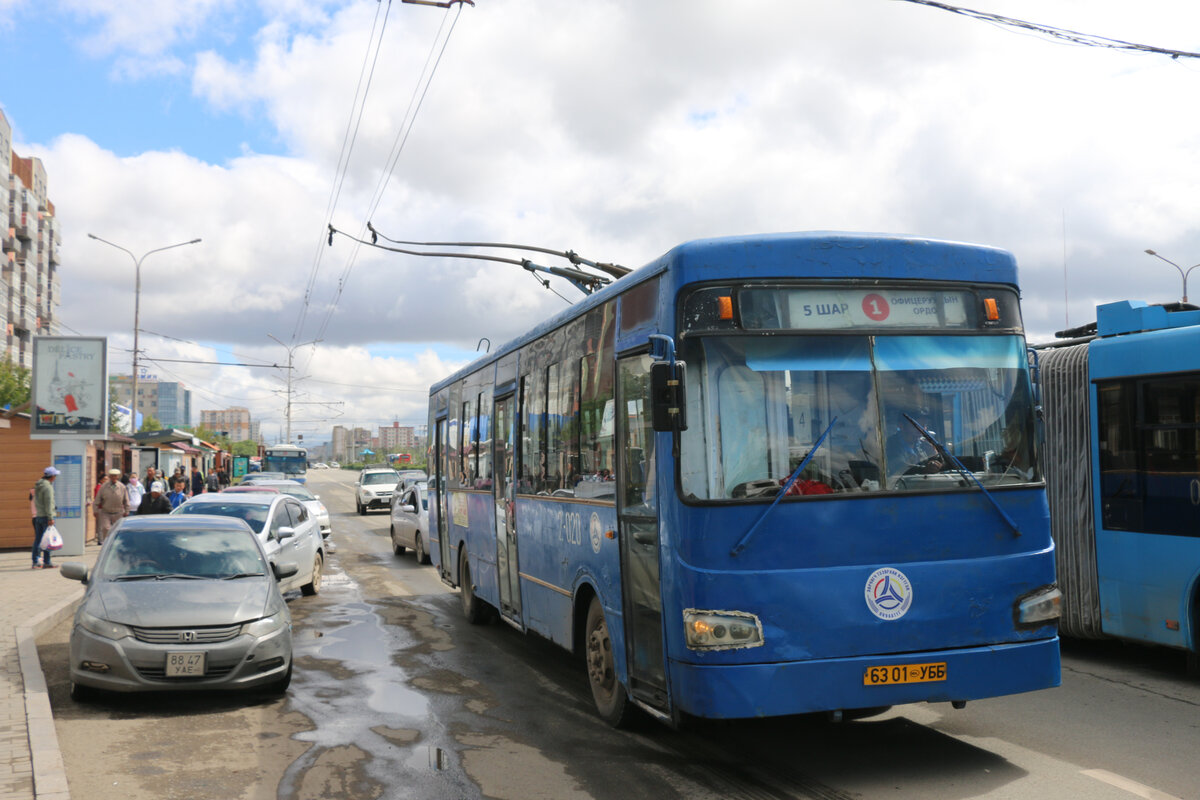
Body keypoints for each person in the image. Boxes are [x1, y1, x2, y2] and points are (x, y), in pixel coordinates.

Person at [32, 466, 58, 569]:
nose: (55, 477)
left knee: (38, 539)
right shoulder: (48, 487)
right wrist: (50, 517)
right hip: (46, 517)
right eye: (55, 475)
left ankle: (36, 560)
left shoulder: (38, 485)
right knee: (48, 540)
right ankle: (46, 561)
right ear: (52, 476)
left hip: (39, 515)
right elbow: (49, 503)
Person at [94, 468, 130, 544]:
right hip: (106, 512)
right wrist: (95, 510)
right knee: (106, 528)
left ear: (118, 477)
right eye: (112, 476)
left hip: (118, 512)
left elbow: (126, 500)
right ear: (110, 477)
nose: (114, 477)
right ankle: (108, 543)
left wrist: (127, 511)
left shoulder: (122, 487)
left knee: (118, 529)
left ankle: (117, 544)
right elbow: (97, 500)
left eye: (115, 476)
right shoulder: (103, 487)